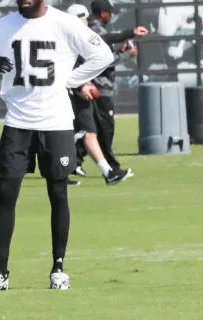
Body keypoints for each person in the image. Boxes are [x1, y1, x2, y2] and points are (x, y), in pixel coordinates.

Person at [0, 0, 113, 291]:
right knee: (6, 193)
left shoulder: (65, 23)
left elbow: (103, 55)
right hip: (17, 123)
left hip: (56, 122)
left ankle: (58, 267)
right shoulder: (4, 25)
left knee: (58, 192)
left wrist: (70, 81)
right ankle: (0, 271)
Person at [66, 3, 134, 185]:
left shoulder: (79, 37)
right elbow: (66, 66)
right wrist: (81, 86)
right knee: (75, 133)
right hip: (75, 90)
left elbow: (104, 43)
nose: (87, 22)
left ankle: (106, 172)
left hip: (81, 88)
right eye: (84, 19)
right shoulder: (71, 38)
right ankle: (104, 169)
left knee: (88, 132)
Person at [88, 0, 149, 169]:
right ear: (102, 13)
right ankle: (111, 167)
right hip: (99, 88)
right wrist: (127, 54)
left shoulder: (95, 28)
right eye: (110, 13)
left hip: (98, 87)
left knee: (93, 129)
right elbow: (103, 59)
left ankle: (78, 164)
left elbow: (105, 47)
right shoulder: (94, 29)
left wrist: (119, 51)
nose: (111, 16)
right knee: (105, 129)